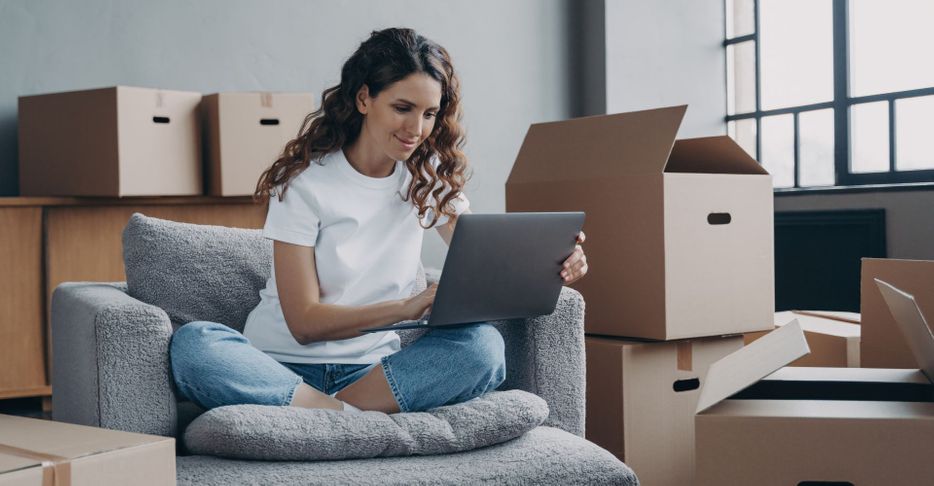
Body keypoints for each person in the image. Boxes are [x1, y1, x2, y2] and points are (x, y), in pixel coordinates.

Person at [169, 27, 588, 414]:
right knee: (195, 343)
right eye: (402, 108)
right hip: (278, 365)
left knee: (482, 347)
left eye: (429, 114)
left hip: (372, 375)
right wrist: (406, 307)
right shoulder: (306, 183)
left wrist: (553, 263)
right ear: (364, 98)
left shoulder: (428, 179)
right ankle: (345, 418)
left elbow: (490, 265)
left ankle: (324, 416)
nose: (417, 129)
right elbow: (304, 324)